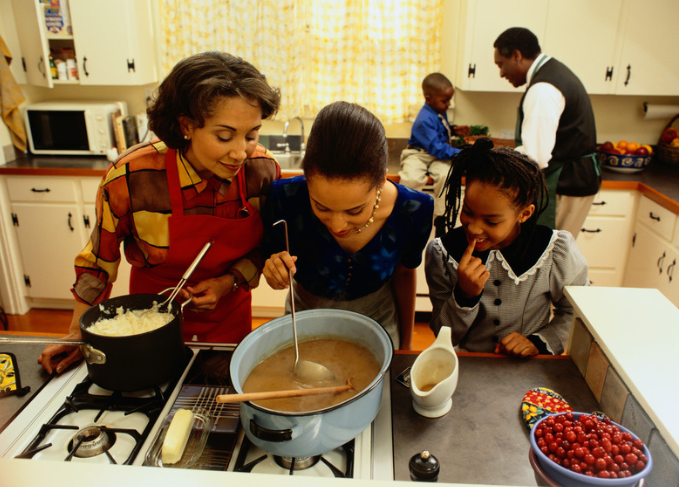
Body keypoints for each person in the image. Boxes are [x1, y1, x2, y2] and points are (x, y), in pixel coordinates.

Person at [38, 51, 282, 374]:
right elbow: (98, 263)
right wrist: (76, 332)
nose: (240, 152)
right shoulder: (130, 178)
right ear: (186, 126)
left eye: (251, 135)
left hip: (228, 330)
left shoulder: (261, 172)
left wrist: (229, 282)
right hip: (145, 329)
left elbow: (265, 248)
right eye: (224, 136)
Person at [262, 101, 434, 350]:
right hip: (303, 325)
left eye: (355, 210)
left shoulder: (414, 210)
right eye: (321, 207)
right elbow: (272, 260)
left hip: (380, 326)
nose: (337, 224)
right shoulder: (284, 198)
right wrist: (274, 270)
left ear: (381, 181)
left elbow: (405, 273)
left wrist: (405, 346)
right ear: (307, 179)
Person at [425, 138, 588, 357]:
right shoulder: (442, 253)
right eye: (468, 211)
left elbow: (575, 312)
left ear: (525, 214)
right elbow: (444, 334)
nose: (473, 228)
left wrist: (540, 342)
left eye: (491, 221)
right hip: (469, 366)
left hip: (532, 367)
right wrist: (465, 295)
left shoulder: (555, 250)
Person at [493, 27, 600, 238]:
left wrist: (499, 167)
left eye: (501, 64)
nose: (501, 73)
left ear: (516, 56)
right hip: (574, 179)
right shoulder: (554, 73)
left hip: (564, 183)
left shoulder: (543, 88)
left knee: (552, 255)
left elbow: (536, 156)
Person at [398, 73, 461, 229]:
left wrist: (454, 129)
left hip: (435, 155)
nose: (448, 104)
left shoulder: (438, 110)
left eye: (449, 100)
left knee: (446, 176)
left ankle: (441, 218)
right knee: (411, 178)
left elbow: (438, 132)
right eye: (445, 101)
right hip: (418, 154)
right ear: (428, 99)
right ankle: (406, 217)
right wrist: (459, 154)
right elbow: (437, 147)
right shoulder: (424, 119)